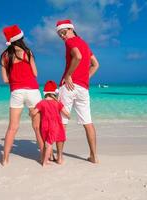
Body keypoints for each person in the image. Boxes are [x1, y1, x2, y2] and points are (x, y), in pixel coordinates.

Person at [55, 19, 100, 163]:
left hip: (68, 87)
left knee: (62, 121)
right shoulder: (85, 44)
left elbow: (78, 56)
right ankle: (94, 156)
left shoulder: (70, 42)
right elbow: (95, 64)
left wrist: (68, 75)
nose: (62, 36)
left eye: (63, 32)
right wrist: (84, 78)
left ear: (70, 29)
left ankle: (60, 157)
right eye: (59, 34)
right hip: (83, 88)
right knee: (88, 122)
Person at [0, 25, 43, 166]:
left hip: (16, 92)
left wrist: (16, 79)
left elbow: (5, 80)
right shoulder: (27, 52)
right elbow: (35, 74)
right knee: (37, 127)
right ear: (20, 38)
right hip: (32, 91)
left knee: (12, 127)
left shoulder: (4, 56)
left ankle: (5, 159)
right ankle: (43, 158)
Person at [30, 80, 70, 166]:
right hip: (55, 126)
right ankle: (45, 162)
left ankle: (50, 157)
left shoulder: (41, 103)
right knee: (51, 143)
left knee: (46, 142)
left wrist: (30, 113)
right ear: (55, 93)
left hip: (44, 126)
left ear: (45, 93)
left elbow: (33, 113)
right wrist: (69, 116)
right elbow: (66, 113)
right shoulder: (58, 103)